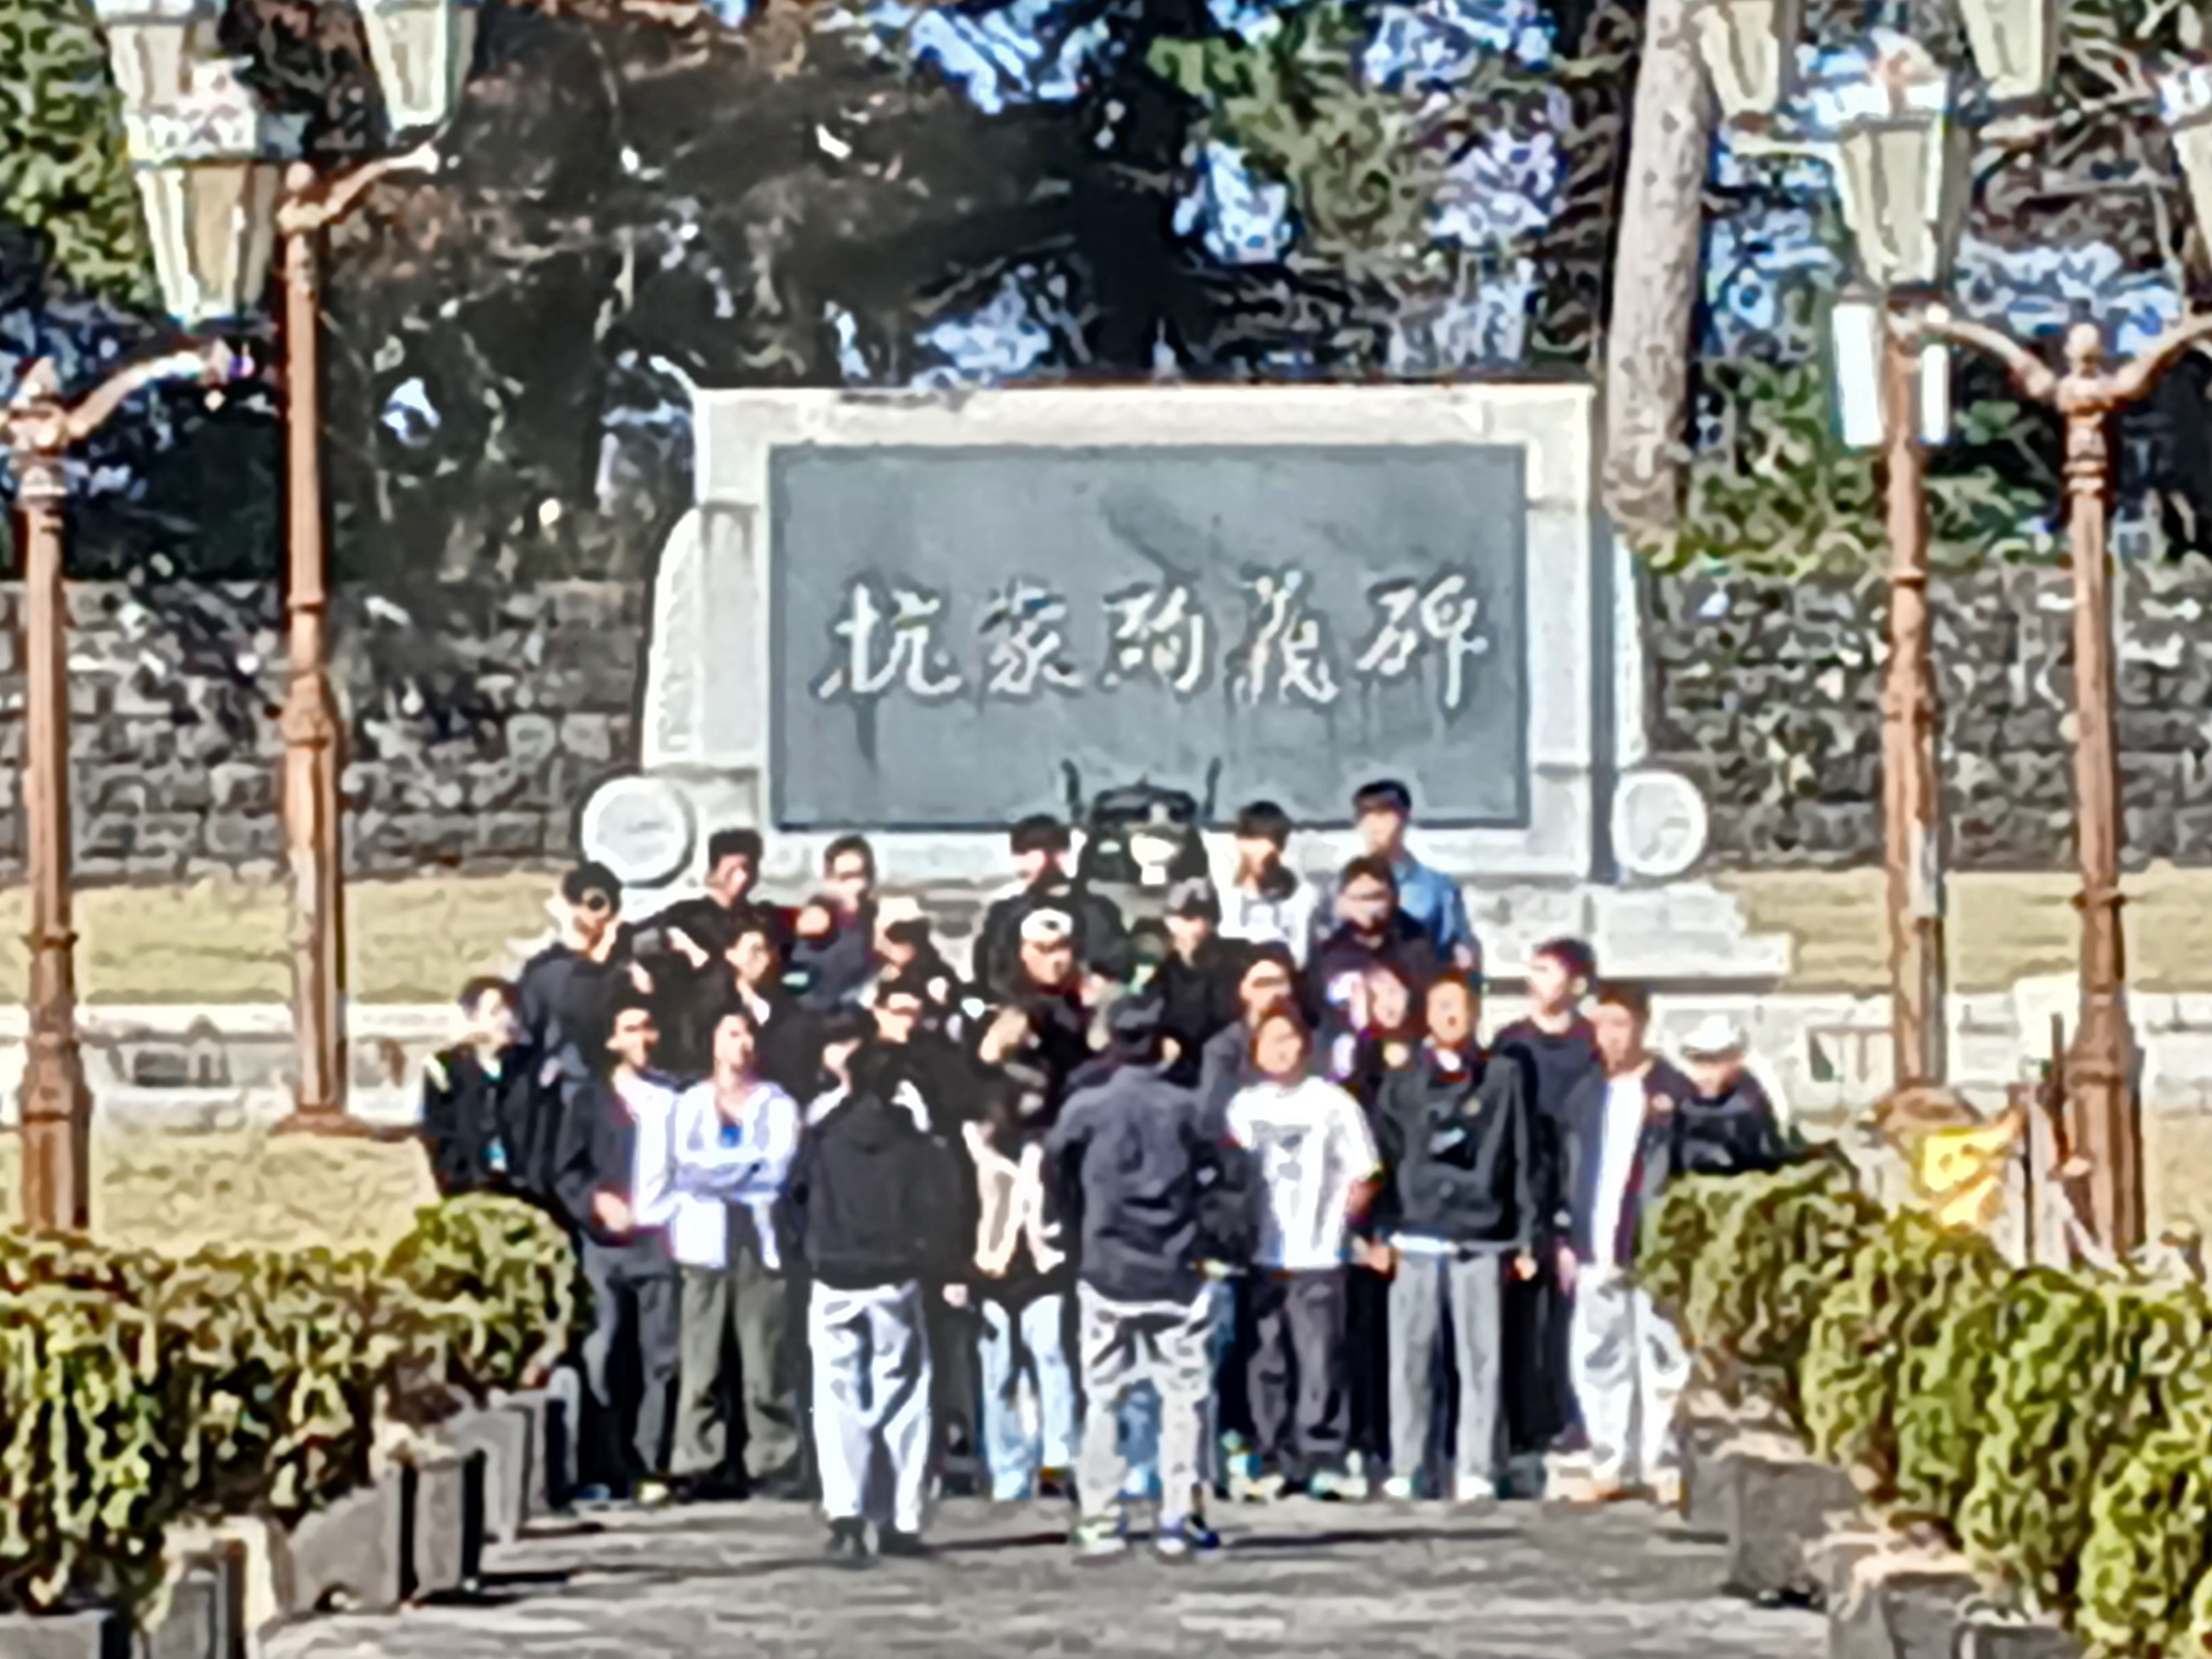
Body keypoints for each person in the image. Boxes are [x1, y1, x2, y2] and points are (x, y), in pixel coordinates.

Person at [1047, 999, 1244, 1559]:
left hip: (1107, 1264)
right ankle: (1179, 1515)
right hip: (1175, 1267)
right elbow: (1228, 1174)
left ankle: (1101, 1516)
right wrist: (1208, 1236)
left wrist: (1079, 1229)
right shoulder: (1187, 1108)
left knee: (1103, 1397)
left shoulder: (1086, 1108)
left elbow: (1055, 1172)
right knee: (1184, 1397)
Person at [779, 1036, 973, 1565]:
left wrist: (805, 1255)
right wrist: (935, 1261)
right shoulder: (912, 1142)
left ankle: (845, 1512)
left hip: (833, 1275)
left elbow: (792, 1201)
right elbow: (939, 1207)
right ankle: (899, 1517)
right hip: (895, 1277)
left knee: (836, 1395)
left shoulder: (823, 1136)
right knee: (903, 1394)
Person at [1373, 974, 1537, 1505]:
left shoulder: (1504, 1077)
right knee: (1410, 1359)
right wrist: (1379, 1231)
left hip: (1482, 1235)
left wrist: (1526, 1236)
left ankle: (1477, 1466)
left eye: (1461, 1006)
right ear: (1427, 1013)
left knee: (1482, 1359)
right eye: (1441, 1005)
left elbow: (1522, 1155)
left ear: (1476, 1013)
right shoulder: (1403, 1083)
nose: (1451, 1016)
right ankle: (1409, 1464)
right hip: (1417, 1234)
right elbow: (1385, 1157)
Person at [1226, 1010, 1381, 1501]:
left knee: (1320, 1360)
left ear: (1306, 1045)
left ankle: (1323, 1457)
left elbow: (1365, 1172)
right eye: (1270, 1040)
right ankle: (1271, 1456)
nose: (1280, 1049)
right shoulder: (1244, 1107)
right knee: (1266, 1360)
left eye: (1289, 1038)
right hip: (1262, 1254)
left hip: (1319, 1254)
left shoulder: (1332, 1103)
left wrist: (1339, 1224)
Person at [658, 1006, 804, 1501]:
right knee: (701, 1359)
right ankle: (698, 1460)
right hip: (704, 1246)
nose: (742, 1045)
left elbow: (776, 1168)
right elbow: (686, 1167)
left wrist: (721, 1171)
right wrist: (741, 1167)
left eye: (748, 1035)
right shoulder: (690, 1103)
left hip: (761, 1245)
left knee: (766, 1360)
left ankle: (774, 1459)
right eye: (732, 1034)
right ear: (714, 1043)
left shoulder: (777, 1104)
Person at [1559, 982, 1695, 1507]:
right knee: (1599, 1354)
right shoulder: (1585, 1094)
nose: (1611, 1037)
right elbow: (1568, 1167)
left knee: (1664, 1355)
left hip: (1653, 1245)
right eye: (1602, 1026)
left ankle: (1663, 1462)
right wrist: (1566, 1234)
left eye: (1620, 1025)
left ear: (1642, 1025)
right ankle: (1609, 1459)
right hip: (1597, 1241)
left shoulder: (1671, 1093)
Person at [551, 986, 683, 1503]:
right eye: (631, 1030)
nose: (643, 1039)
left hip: (661, 1241)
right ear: (611, 1040)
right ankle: (603, 1464)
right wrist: (595, 1202)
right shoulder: (589, 1101)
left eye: (648, 1028)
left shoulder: (675, 1099)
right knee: (603, 1352)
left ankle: (651, 1464)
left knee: (660, 1358)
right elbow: (566, 1170)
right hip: (605, 1246)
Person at [1492, 937, 1603, 1480]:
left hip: (1580, 1185)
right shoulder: (1511, 1044)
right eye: (1532, 968)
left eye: (1549, 969)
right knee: (1523, 1313)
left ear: (1577, 984)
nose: (1535, 978)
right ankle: (1523, 1424)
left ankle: (1574, 1419)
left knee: (1573, 1313)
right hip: (1523, 1186)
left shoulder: (1592, 1046)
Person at [964, 1068, 1078, 1503]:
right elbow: (960, 1208)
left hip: (1045, 1273)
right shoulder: (972, 1149)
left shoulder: (1048, 1150)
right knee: (998, 1378)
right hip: (989, 1276)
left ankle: (1058, 1462)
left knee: (1053, 1365)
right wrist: (959, 1270)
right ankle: (1008, 1472)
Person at [1310, 857, 1437, 1090]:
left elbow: (1428, 1009)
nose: (1369, 907)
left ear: (1394, 898)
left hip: (1405, 1067)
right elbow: (1317, 1012)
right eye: (1359, 898)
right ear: (1342, 902)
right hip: (1346, 1069)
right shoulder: (1329, 953)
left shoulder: (1416, 946)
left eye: (1377, 897)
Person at [976, 815, 1129, 998]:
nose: (1041, 860)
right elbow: (990, 976)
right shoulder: (1004, 914)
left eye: (1054, 850)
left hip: (1084, 1007)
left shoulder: (1097, 911)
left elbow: (1114, 968)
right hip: (1023, 1007)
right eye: (1023, 853)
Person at [419, 978, 537, 1200]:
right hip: (470, 1191)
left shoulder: (528, 1069)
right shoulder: (444, 1070)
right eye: (496, 1012)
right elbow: (439, 1137)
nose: (508, 1020)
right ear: (472, 1017)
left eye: (512, 1011)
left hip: (528, 1193)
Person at [1352, 780, 1478, 974]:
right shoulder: (1338, 889)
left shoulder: (1438, 890)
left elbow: (1462, 955)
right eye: (1365, 814)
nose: (1374, 825)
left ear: (1404, 816)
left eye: (1383, 813)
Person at [1198, 943, 1304, 1127]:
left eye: (1280, 982)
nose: (1274, 992)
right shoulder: (1223, 1049)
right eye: (1263, 984)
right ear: (1243, 990)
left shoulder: (1308, 1040)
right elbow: (1214, 1117)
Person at [1153, 879, 1242, 1089]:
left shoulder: (1231, 967)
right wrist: (1155, 1041)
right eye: (1175, 917)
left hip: (1214, 1072)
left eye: (1193, 919)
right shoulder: (1160, 965)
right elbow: (1137, 1012)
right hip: (1162, 1070)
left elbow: (1224, 1022)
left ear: (1212, 923)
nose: (1182, 927)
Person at [1675, 1015, 1790, 1177]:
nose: (1706, 1068)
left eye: (1714, 1059)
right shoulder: (1685, 1097)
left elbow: (1765, 1148)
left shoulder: (1750, 1095)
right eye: (1700, 1060)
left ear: (1735, 1058)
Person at [1216, 801, 1324, 967]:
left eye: (1269, 840)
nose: (1259, 851)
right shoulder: (1226, 893)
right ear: (1239, 843)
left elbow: (1301, 955)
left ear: (1280, 847)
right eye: (1252, 838)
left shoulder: (1303, 895)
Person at [792, 836, 879, 1011]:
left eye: (863, 875)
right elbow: (800, 987)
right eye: (846, 877)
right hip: (820, 1015)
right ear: (829, 881)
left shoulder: (878, 917)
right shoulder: (817, 924)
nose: (857, 885)